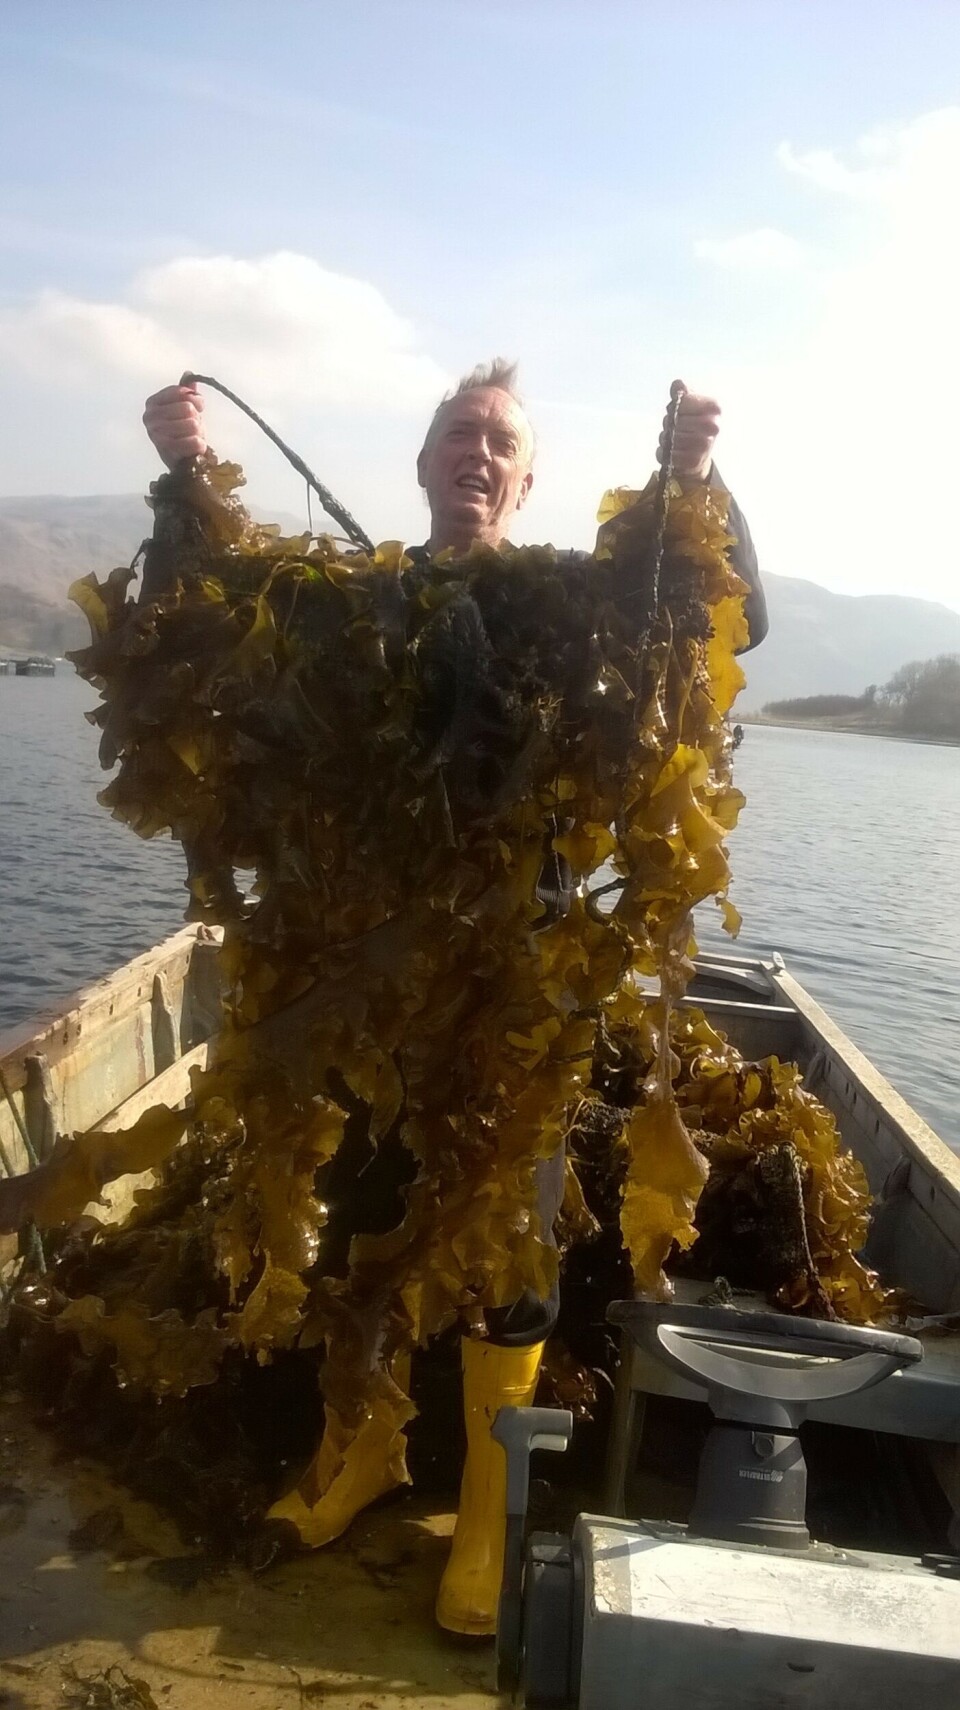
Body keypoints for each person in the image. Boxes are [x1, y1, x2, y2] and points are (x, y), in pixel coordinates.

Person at [142, 361, 767, 1635]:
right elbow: (188, 623)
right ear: (423, 464)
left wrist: (693, 488)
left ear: (526, 478)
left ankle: (486, 1518)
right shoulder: (341, 602)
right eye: (457, 436)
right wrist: (186, 475)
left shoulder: (565, 607)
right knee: (364, 1221)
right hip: (364, 978)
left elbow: (711, 617)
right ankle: (359, 1451)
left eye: (500, 442)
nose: (477, 455)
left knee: (508, 1247)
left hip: (519, 983)